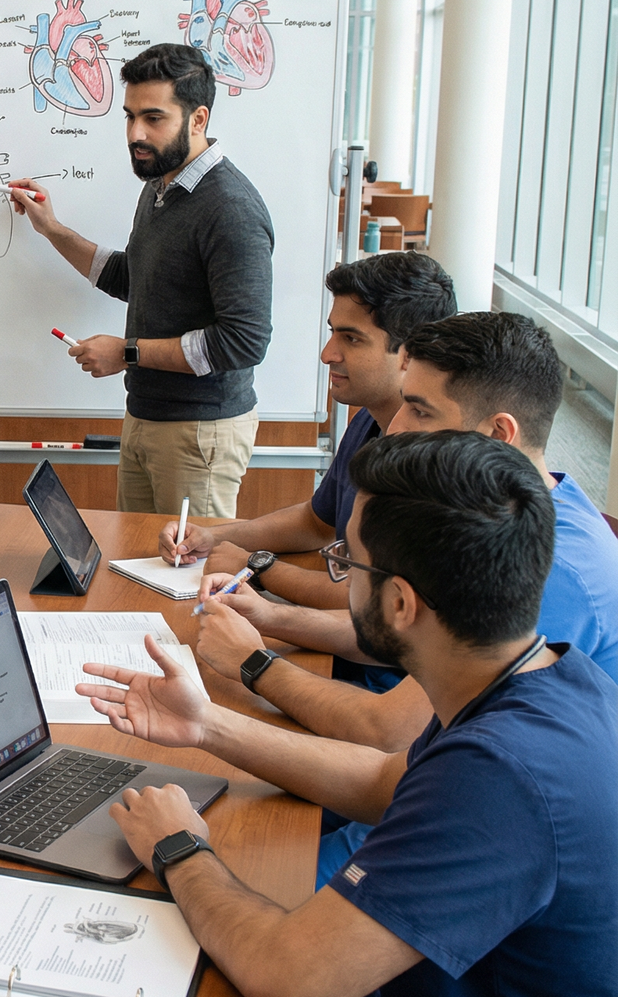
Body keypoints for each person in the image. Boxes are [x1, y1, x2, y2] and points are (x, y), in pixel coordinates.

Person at [81, 432, 618, 997]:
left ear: (400, 603)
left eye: (348, 567)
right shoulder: (546, 678)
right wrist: (209, 731)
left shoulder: (502, 777)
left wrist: (180, 848)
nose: (340, 579)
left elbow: (286, 980)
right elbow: (380, 781)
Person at [194, 310, 618, 883]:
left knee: (225, 856)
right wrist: (268, 617)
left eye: (419, 411)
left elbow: (388, 734)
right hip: (429, 785)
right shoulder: (508, 511)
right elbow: (392, 637)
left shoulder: (546, 567)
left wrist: (252, 662)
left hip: (460, 824)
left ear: (499, 434)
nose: (393, 429)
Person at [8, 42, 274, 519]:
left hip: (199, 432)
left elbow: (244, 341)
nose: (136, 133)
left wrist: (127, 352)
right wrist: (50, 227)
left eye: (154, 118)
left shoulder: (229, 209)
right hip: (147, 416)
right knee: (138, 568)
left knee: (189, 581)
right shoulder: (161, 184)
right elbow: (134, 277)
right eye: (129, 117)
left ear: (198, 119)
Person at [156, 253, 457, 644]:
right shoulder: (367, 420)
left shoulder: (434, 465)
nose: (327, 354)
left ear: (411, 355)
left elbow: (369, 600)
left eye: (351, 338)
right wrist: (215, 537)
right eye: (332, 333)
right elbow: (317, 522)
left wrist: (255, 565)